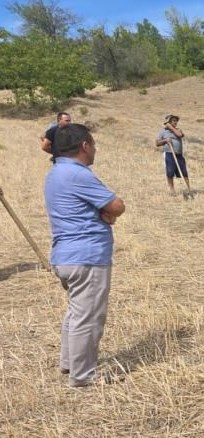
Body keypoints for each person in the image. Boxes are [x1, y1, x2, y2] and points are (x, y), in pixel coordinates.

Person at [44, 123, 126, 388]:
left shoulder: (55, 173)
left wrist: (104, 215)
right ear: (84, 145)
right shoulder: (79, 175)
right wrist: (108, 215)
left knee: (76, 313)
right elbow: (116, 206)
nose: (95, 149)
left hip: (65, 255)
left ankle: (70, 363)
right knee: (88, 318)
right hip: (86, 255)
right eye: (94, 144)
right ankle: (83, 375)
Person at [155, 114, 188, 196]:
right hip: (169, 154)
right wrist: (165, 140)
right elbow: (157, 143)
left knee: (184, 172)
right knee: (170, 172)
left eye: (176, 121)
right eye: (173, 121)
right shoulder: (162, 131)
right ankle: (172, 190)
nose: (176, 122)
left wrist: (171, 128)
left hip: (179, 154)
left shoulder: (178, 130)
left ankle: (188, 188)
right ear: (168, 122)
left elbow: (180, 135)